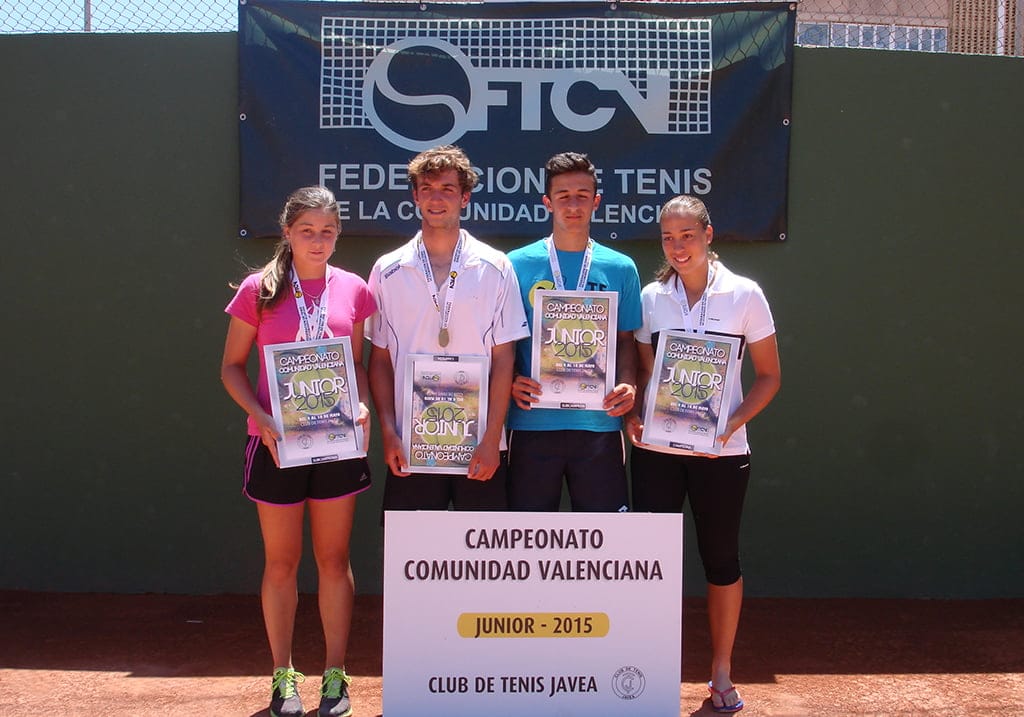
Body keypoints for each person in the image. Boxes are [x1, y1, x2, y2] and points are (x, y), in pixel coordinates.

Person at [221, 186, 375, 717]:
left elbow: (353, 365)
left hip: (336, 445)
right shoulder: (257, 289)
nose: (318, 240)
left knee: (333, 561)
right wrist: (261, 417)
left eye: (328, 230)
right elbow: (231, 367)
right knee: (281, 564)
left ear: (338, 234)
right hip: (274, 446)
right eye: (307, 230)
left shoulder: (353, 289)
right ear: (287, 232)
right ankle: (283, 677)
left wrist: (360, 408)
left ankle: (335, 675)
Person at [624, 195, 781, 714]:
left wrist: (727, 426)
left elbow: (770, 378)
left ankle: (720, 672)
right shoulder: (650, 298)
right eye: (668, 238)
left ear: (708, 236)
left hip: (723, 455)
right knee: (651, 563)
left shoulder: (745, 294)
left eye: (687, 236)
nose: (677, 247)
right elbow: (644, 374)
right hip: (656, 452)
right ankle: (647, 672)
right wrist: (634, 417)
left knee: (720, 561)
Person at [367, 145, 529, 512]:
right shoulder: (386, 269)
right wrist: (389, 433)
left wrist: (492, 439)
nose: (436, 198)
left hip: (479, 447)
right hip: (412, 444)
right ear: (415, 196)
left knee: (483, 561)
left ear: (465, 197)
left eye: (447, 189)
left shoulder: (497, 266)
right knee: (413, 561)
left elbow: (504, 359)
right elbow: (379, 359)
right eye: (427, 188)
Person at [506, 151, 642, 512]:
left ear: (596, 202)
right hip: (532, 422)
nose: (573, 204)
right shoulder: (515, 265)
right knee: (527, 543)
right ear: (547, 202)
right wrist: (509, 381)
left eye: (582, 195)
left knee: (606, 544)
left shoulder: (621, 268)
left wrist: (628, 383)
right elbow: (501, 342)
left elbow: (626, 341)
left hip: (599, 424)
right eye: (563, 195)